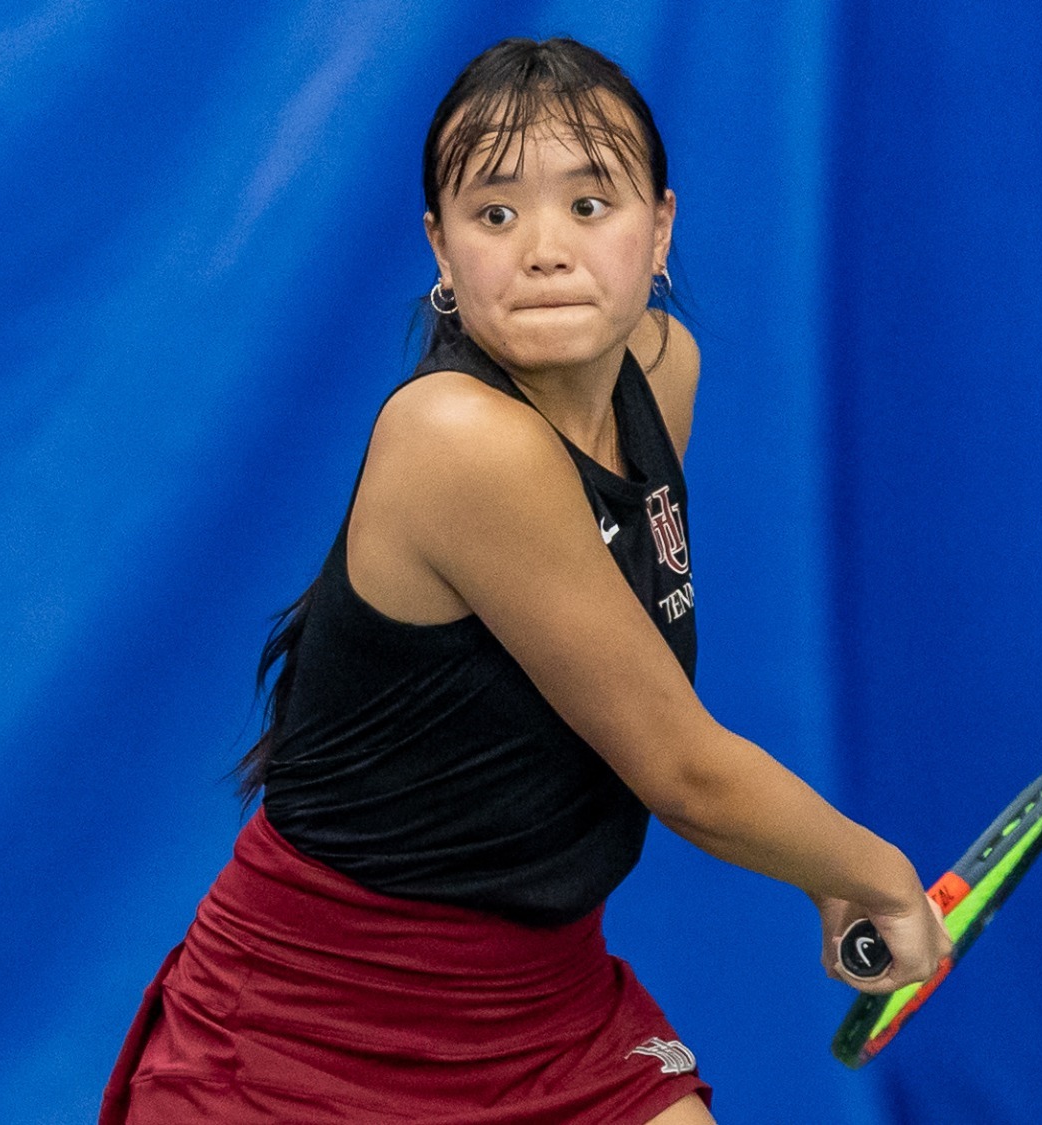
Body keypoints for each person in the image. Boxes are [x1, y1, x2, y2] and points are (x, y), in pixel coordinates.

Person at [100, 36, 950, 1125]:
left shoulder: (662, 372)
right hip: (313, 1016)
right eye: (495, 214)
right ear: (440, 248)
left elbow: (612, 683)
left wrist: (827, 868)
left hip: (544, 1000)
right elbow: (679, 769)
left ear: (660, 229)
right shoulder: (457, 438)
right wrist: (875, 873)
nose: (545, 250)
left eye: (590, 205)